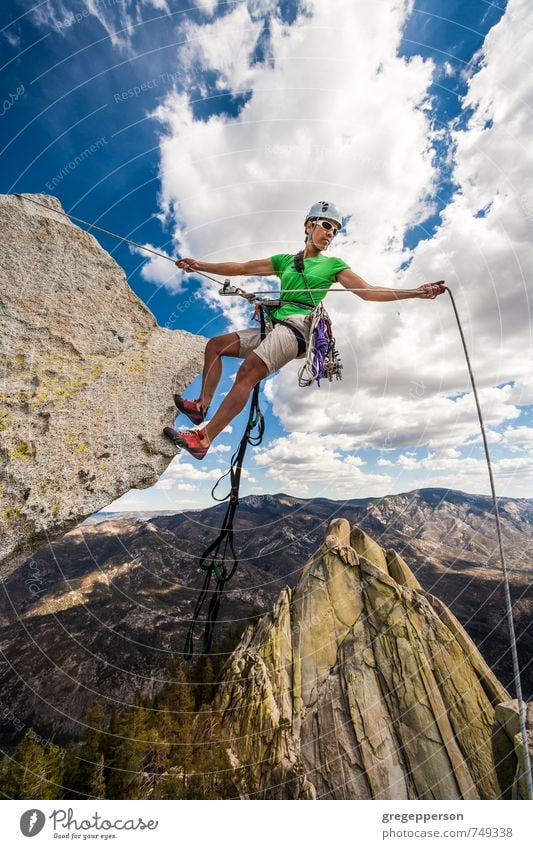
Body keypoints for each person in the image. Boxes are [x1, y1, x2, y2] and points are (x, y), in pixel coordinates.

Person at [163, 201, 445, 459]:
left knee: (249, 370)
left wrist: (416, 293)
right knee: (216, 345)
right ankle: (201, 407)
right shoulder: (286, 261)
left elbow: (369, 292)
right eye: (326, 226)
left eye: (335, 230)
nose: (330, 234)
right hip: (276, 326)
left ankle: (205, 438)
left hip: (299, 328)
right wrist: (200, 264)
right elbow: (241, 268)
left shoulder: (333, 265)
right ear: (309, 226)